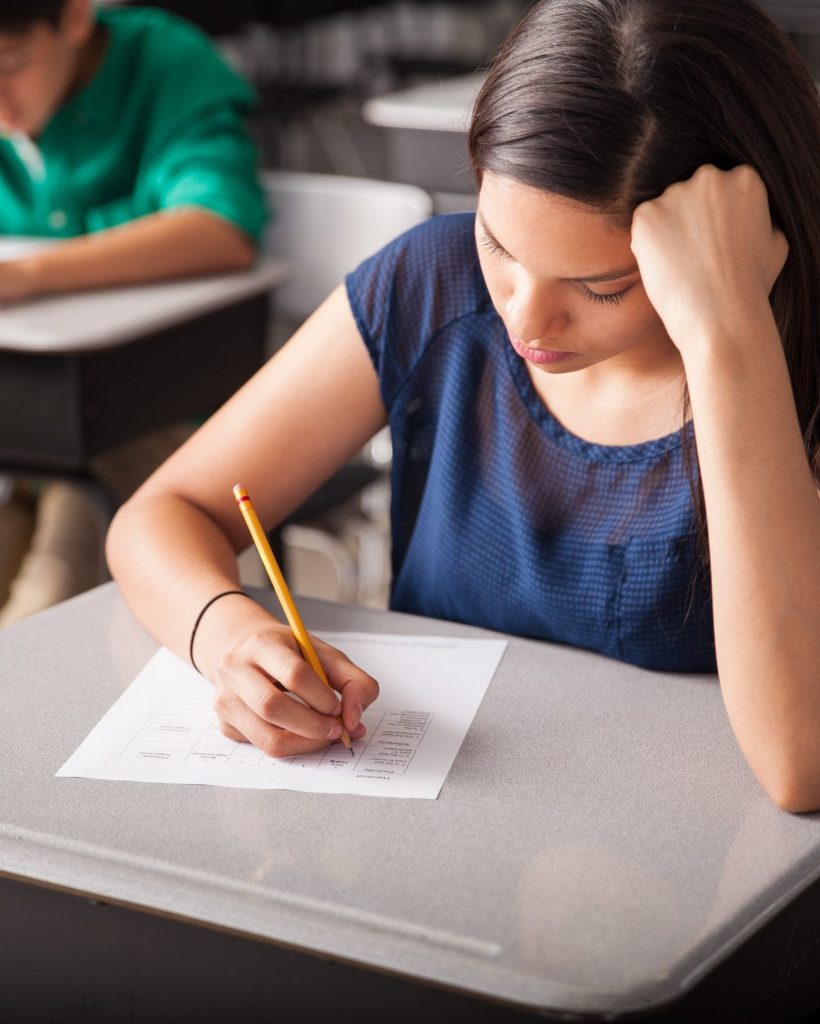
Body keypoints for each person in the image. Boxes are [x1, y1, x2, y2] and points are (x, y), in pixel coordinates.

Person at [107, 0, 820, 812]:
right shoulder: (432, 284)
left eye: (601, 287)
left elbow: (800, 760)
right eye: (500, 245)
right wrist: (226, 635)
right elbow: (162, 511)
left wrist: (729, 335)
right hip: (434, 844)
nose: (523, 317)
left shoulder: (777, 360)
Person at [0, 0, 267, 624]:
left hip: (154, 411)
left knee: (46, 601)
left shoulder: (164, 64)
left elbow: (219, 227)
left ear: (74, 16)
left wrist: (28, 274)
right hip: (27, 425)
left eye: (10, 64)